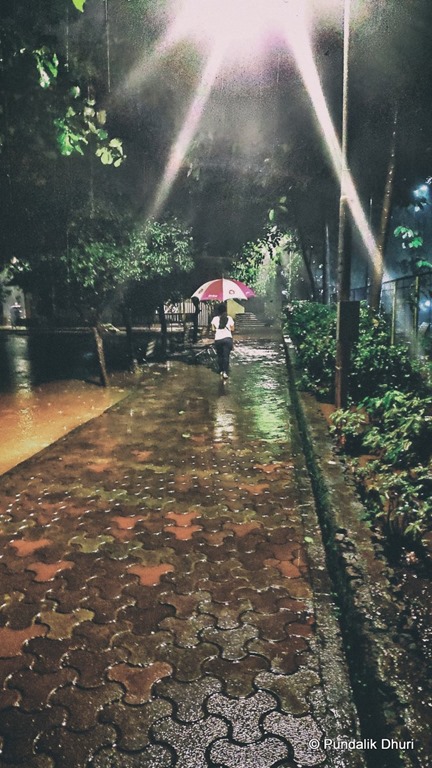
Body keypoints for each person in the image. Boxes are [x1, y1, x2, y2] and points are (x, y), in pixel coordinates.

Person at [211, 301, 235, 379]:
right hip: (228, 339)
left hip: (218, 339)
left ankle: (221, 370)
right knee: (226, 356)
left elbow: (213, 329)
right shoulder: (229, 318)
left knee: (220, 356)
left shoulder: (215, 319)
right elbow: (232, 329)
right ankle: (225, 372)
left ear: (218, 311)